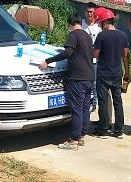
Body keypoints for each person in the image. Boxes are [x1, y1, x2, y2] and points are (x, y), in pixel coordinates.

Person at [39, 13, 94, 150]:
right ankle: (81, 136)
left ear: (70, 24)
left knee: (76, 109)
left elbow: (68, 52)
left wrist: (48, 61)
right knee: (85, 107)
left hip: (77, 77)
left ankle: (74, 140)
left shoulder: (73, 35)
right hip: (89, 76)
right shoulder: (87, 36)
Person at [91, 7, 130, 139]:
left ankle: (103, 129)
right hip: (117, 73)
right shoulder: (123, 35)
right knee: (118, 102)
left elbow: (95, 54)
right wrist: (127, 72)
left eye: (100, 23)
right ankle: (118, 130)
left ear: (104, 22)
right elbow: (125, 55)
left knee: (103, 101)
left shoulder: (101, 35)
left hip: (103, 74)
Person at [82, 3, 102, 113]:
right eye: (87, 11)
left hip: (95, 57)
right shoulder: (81, 24)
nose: (89, 14)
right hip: (83, 57)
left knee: (94, 81)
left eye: (91, 12)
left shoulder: (99, 26)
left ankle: (94, 103)